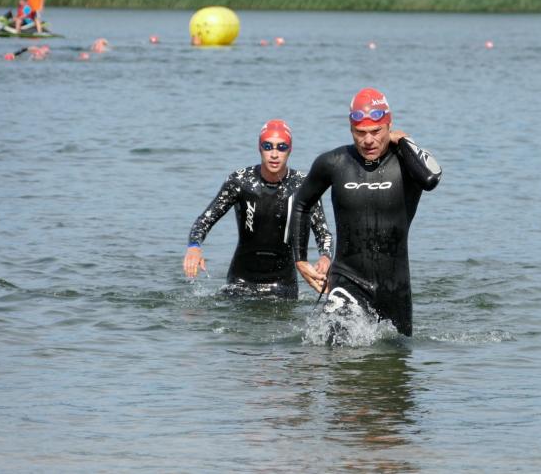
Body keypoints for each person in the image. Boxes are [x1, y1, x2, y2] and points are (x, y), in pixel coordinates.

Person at [289, 88, 441, 336]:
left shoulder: (407, 162)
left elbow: (431, 178)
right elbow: (301, 204)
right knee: (338, 343)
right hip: (347, 279)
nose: (368, 140)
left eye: (376, 131)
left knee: (395, 355)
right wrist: (300, 259)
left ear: (389, 125)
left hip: (396, 288)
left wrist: (405, 142)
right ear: (351, 129)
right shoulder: (334, 162)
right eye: (360, 132)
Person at [183, 119, 333, 299]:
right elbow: (205, 220)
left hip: (283, 284)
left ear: (290, 149)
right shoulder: (240, 182)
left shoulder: (303, 186)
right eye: (268, 146)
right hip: (240, 281)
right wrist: (194, 247)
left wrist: (325, 257)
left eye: (281, 147)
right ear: (259, 148)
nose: (274, 154)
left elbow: (323, 233)